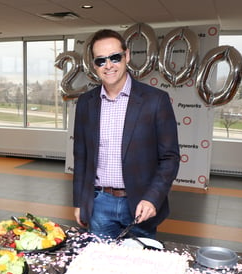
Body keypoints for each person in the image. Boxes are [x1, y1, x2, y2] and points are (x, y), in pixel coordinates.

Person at [72, 29, 180, 240]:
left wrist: (152, 198)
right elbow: (81, 157)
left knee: (138, 269)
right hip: (99, 203)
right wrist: (79, 202)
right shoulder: (85, 103)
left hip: (140, 204)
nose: (109, 65)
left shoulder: (155, 100)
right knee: (100, 267)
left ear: (127, 56)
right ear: (94, 65)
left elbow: (169, 157)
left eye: (115, 57)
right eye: (101, 60)